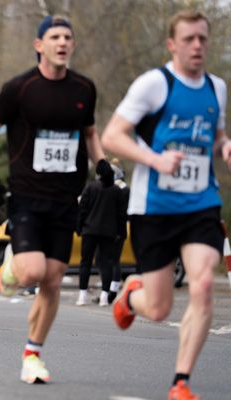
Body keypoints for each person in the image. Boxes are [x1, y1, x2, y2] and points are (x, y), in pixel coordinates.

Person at [101, 10, 230, 399]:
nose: (197, 46)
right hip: (154, 206)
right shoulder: (154, 85)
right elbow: (112, 136)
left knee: (203, 282)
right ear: (172, 44)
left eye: (203, 39)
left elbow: (217, 133)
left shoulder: (217, 87)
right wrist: (155, 160)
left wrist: (225, 146)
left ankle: (181, 382)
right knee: (157, 309)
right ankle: (130, 296)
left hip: (201, 203)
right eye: (189, 39)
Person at [0, 15, 112, 383]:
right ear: (40, 45)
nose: (63, 42)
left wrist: (100, 163)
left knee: (52, 281)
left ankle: (33, 353)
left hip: (66, 199)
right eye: (55, 36)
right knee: (33, 273)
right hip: (27, 195)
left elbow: (91, 133)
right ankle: (12, 267)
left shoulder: (84, 88)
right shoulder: (20, 88)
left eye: (68, 36)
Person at [75, 162, 127, 306]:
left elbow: (82, 209)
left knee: (85, 263)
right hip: (109, 233)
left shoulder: (91, 187)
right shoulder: (117, 191)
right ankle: (104, 296)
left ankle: (82, 296)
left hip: (89, 230)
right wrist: (121, 233)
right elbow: (121, 214)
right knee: (106, 264)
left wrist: (78, 228)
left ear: (98, 173)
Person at [108, 158, 130, 304]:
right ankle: (111, 289)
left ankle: (112, 291)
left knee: (112, 261)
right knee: (112, 260)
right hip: (119, 227)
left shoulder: (115, 189)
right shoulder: (125, 188)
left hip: (113, 228)